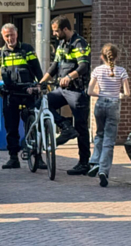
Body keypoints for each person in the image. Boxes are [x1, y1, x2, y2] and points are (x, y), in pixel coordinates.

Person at [39, 16, 92, 175]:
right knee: (43, 104)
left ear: (65, 29)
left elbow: (84, 66)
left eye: (56, 31)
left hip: (76, 91)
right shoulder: (61, 44)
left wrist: (69, 77)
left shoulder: (79, 43)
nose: (54, 34)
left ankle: (84, 163)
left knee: (82, 127)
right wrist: (41, 82)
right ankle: (66, 127)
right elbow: (54, 66)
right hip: (61, 90)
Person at [0, 23, 43, 169]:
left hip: (28, 93)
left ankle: (38, 157)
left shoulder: (27, 49)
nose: (10, 38)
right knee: (11, 128)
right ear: (3, 36)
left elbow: (37, 69)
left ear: (17, 34)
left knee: (33, 126)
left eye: (12, 35)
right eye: (7, 35)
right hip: (10, 94)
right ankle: (13, 158)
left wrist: (40, 85)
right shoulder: (0, 53)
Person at [86, 44, 129, 187]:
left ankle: (95, 161)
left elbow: (89, 91)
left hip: (100, 104)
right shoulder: (121, 71)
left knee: (99, 134)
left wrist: (100, 94)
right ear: (116, 57)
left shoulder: (97, 70)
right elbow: (127, 93)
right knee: (109, 140)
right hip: (113, 104)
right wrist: (119, 95)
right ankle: (103, 169)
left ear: (101, 57)